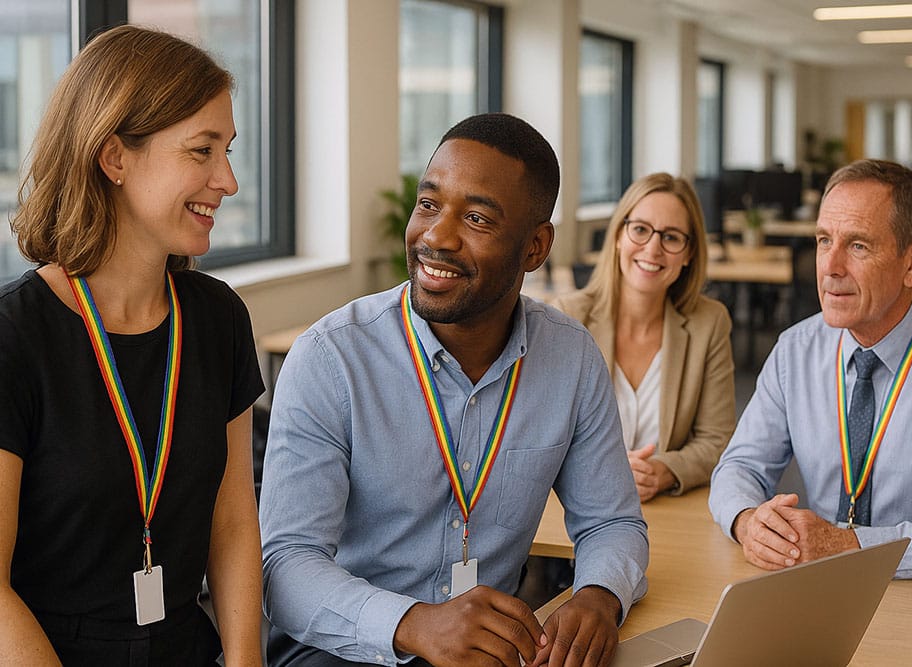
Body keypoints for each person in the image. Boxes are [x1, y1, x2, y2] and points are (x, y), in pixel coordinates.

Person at [259, 113, 649, 667]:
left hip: (485, 651)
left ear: (536, 247)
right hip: (342, 648)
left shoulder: (570, 358)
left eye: (477, 218)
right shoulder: (332, 358)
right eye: (429, 204)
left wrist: (599, 595)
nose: (436, 237)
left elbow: (612, 522)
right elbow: (287, 568)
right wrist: (415, 625)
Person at [0, 25, 265, 664]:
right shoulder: (16, 336)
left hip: (185, 645)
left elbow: (231, 528)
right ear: (114, 157)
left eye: (227, 150)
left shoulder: (218, 318)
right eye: (202, 151)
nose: (227, 181)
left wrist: (245, 661)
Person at [709, 159, 912, 579]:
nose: (830, 266)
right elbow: (739, 467)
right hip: (820, 588)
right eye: (824, 240)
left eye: (858, 245)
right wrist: (748, 521)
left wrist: (847, 546)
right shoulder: (796, 351)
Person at [552, 173, 736, 501]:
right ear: (619, 236)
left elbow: (717, 440)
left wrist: (663, 471)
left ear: (689, 252)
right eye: (640, 229)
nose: (653, 249)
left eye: (671, 237)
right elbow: (540, 434)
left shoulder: (709, 323)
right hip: (578, 511)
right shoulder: (569, 318)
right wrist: (605, 468)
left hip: (664, 515)